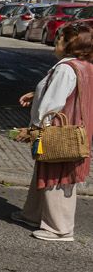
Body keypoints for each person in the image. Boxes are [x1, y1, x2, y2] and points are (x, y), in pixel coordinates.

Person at [16, 21, 93, 241]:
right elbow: (70, 92)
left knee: (57, 174)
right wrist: (36, 94)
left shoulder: (66, 68)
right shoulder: (84, 66)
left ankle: (60, 228)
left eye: (60, 39)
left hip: (59, 129)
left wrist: (36, 127)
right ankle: (33, 214)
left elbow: (53, 102)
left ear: (70, 44)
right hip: (77, 127)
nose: (56, 41)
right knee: (46, 168)